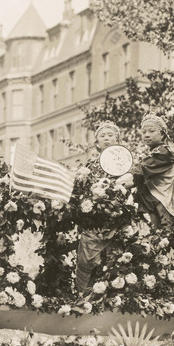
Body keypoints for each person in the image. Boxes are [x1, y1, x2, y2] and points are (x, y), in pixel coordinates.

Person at [74, 120, 124, 293]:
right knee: (87, 260)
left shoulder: (124, 163)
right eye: (102, 136)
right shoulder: (90, 165)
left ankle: (111, 299)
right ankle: (84, 296)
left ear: (117, 140)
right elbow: (80, 189)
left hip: (117, 220)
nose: (107, 139)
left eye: (111, 135)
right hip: (94, 221)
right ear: (96, 142)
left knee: (114, 260)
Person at [116, 114, 174, 228]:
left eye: (151, 131)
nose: (147, 135)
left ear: (162, 134)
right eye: (144, 132)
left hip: (158, 206)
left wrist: (117, 184)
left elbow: (140, 172)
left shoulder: (164, 153)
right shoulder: (154, 153)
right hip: (149, 203)